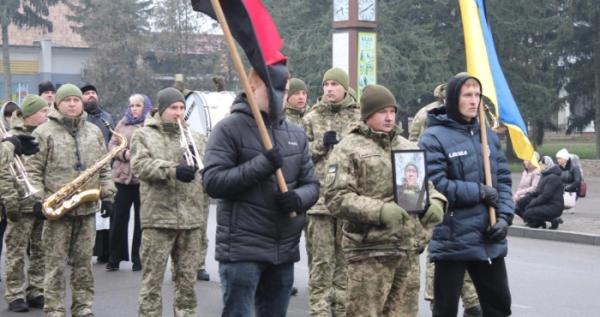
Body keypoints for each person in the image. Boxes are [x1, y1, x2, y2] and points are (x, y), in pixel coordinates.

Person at [202, 69, 319, 316]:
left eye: (284, 91)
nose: (281, 96)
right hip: (243, 250)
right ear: (252, 88)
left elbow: (313, 185)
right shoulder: (227, 129)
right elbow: (213, 182)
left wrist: (298, 198)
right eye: (275, 89)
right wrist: (261, 165)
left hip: (284, 250)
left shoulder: (296, 134)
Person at [324, 84, 446, 316]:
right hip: (370, 252)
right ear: (368, 114)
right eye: (383, 112)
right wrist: (380, 211)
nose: (390, 117)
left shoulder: (407, 146)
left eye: (392, 111)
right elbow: (336, 197)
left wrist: (437, 202)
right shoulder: (348, 148)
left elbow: (424, 187)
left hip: (407, 250)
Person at [418, 74, 513, 317]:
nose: (474, 101)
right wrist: (478, 192)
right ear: (452, 99)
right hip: (452, 238)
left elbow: (502, 181)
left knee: (499, 307)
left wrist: (503, 219)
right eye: (467, 95)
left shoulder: (488, 136)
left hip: (487, 239)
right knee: (445, 310)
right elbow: (435, 184)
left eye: (477, 96)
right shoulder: (433, 137)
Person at [26, 84, 116, 317]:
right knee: (55, 265)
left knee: (83, 264)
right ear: (57, 103)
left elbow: (104, 168)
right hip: (57, 211)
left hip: (86, 209)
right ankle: (54, 309)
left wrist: (107, 195)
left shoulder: (94, 131)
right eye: (68, 100)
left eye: (77, 100)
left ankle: (82, 307)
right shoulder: (43, 132)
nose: (73, 104)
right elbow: (32, 171)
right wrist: (38, 199)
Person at [131, 87, 207, 316]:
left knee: (187, 284)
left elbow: (205, 171)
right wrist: (173, 170)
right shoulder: (143, 135)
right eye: (174, 108)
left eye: (182, 108)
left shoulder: (196, 137)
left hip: (191, 220)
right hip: (158, 219)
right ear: (162, 109)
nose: (179, 113)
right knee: (152, 282)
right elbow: (140, 166)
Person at [302, 67, 360, 317]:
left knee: (346, 261)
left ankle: (342, 310)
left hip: (348, 199)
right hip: (320, 202)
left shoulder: (359, 117)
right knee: (321, 262)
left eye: (334, 85)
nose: (329, 90)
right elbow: (299, 156)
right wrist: (320, 145)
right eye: (326, 85)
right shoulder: (311, 117)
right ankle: (320, 312)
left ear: (345, 88)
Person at [0, 95, 49, 312]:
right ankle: (15, 293)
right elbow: (3, 172)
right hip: (20, 203)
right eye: (43, 111)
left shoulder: (46, 135)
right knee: (16, 253)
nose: (47, 115)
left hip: (42, 203)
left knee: (40, 250)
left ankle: (36, 290)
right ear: (29, 115)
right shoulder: (11, 138)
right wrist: (10, 200)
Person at [106, 94, 152, 272]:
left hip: (142, 180)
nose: (134, 108)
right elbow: (112, 144)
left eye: (138, 105)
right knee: (118, 219)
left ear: (145, 107)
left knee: (142, 221)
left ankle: (138, 258)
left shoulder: (150, 125)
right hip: (122, 178)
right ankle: (114, 258)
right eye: (132, 105)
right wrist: (123, 154)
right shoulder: (122, 123)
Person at [80, 83, 115, 264]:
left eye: (93, 92)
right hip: (84, 172)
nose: (91, 96)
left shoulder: (107, 118)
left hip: (104, 168)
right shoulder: (80, 119)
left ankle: (104, 252)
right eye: (86, 93)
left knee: (105, 213)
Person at [515, 156, 564, 229]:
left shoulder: (553, 178)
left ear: (547, 165)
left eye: (541, 164)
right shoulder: (544, 175)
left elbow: (545, 196)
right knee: (519, 205)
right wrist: (525, 199)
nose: (539, 166)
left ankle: (553, 219)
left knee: (529, 212)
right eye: (539, 164)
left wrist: (532, 203)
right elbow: (537, 191)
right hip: (545, 203)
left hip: (553, 206)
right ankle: (536, 222)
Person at [556, 148, 581, 213]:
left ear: (565, 159)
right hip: (560, 189)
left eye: (559, 158)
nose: (557, 160)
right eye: (557, 158)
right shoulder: (557, 168)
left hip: (571, 190)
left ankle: (569, 206)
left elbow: (577, 181)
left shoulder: (575, 168)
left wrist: (567, 187)